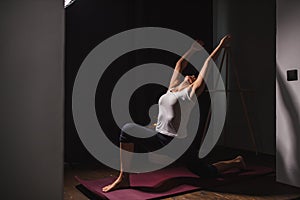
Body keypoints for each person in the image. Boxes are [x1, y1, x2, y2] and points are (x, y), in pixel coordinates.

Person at [102, 35, 246, 192]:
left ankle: (236, 162)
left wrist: (220, 46)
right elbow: (179, 65)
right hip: (160, 137)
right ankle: (123, 179)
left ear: (193, 83)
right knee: (127, 130)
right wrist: (192, 50)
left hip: (175, 144)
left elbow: (208, 64)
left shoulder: (190, 94)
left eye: (195, 77)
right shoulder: (172, 88)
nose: (193, 75)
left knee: (207, 172)